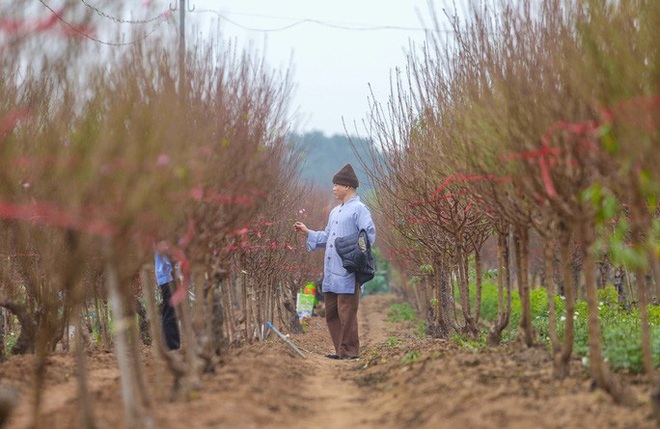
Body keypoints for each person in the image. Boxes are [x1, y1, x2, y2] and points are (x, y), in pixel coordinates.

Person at [294, 163, 376, 360]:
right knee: (331, 312)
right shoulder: (335, 212)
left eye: (336, 185)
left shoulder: (359, 209)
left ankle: (351, 352)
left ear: (346, 186)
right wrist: (308, 232)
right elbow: (327, 237)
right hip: (331, 270)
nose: (333, 188)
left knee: (347, 312)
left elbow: (369, 235)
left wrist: (355, 256)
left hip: (348, 270)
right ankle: (340, 350)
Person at [154, 251, 181, 351]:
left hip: (169, 276)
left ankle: (174, 345)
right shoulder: (163, 238)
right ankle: (172, 347)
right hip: (168, 277)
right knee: (170, 312)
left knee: (172, 312)